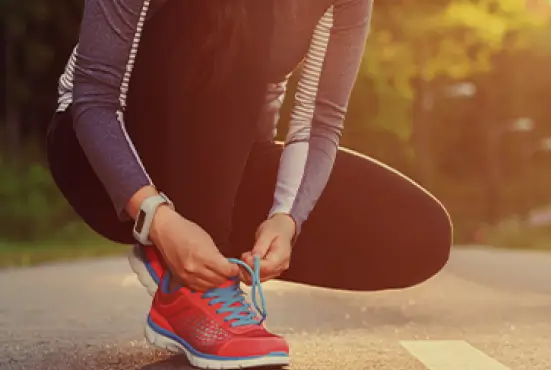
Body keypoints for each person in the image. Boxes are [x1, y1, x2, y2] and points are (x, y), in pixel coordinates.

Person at [45, 0, 452, 368]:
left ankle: (200, 250)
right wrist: (157, 218)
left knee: (418, 232)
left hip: (220, 164)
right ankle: (191, 293)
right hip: (101, 163)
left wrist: (285, 219)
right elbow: (93, 99)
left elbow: (318, 123)